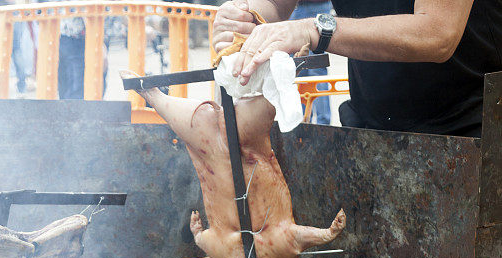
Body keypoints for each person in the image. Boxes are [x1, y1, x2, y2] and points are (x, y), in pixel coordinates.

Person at [211, 0, 502, 137]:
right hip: (371, 125)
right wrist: (246, 15)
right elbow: (276, 2)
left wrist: (315, 30)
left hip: (472, 128)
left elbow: (437, 34)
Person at [289, 0, 331, 124]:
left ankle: (321, 124)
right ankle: (303, 124)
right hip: (298, 8)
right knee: (300, 70)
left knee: (313, 70)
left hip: (313, 7)